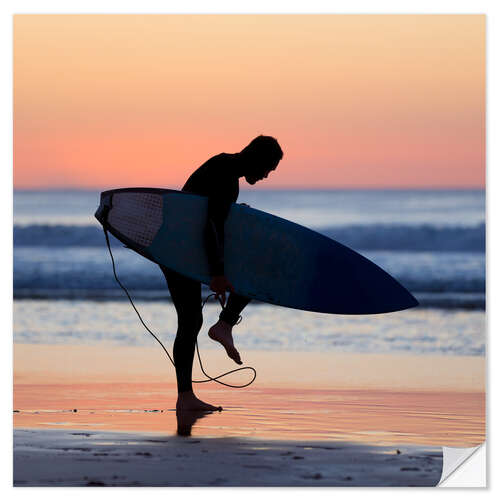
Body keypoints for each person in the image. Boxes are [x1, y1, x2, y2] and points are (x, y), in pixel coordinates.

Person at [160, 135, 283, 412]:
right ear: (256, 158)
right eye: (267, 168)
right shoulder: (225, 176)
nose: (265, 176)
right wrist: (217, 273)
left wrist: (234, 215)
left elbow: (212, 215)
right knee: (191, 318)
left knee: (193, 317)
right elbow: (210, 225)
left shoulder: (226, 171)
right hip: (180, 251)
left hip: (184, 247)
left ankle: (223, 327)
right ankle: (186, 395)